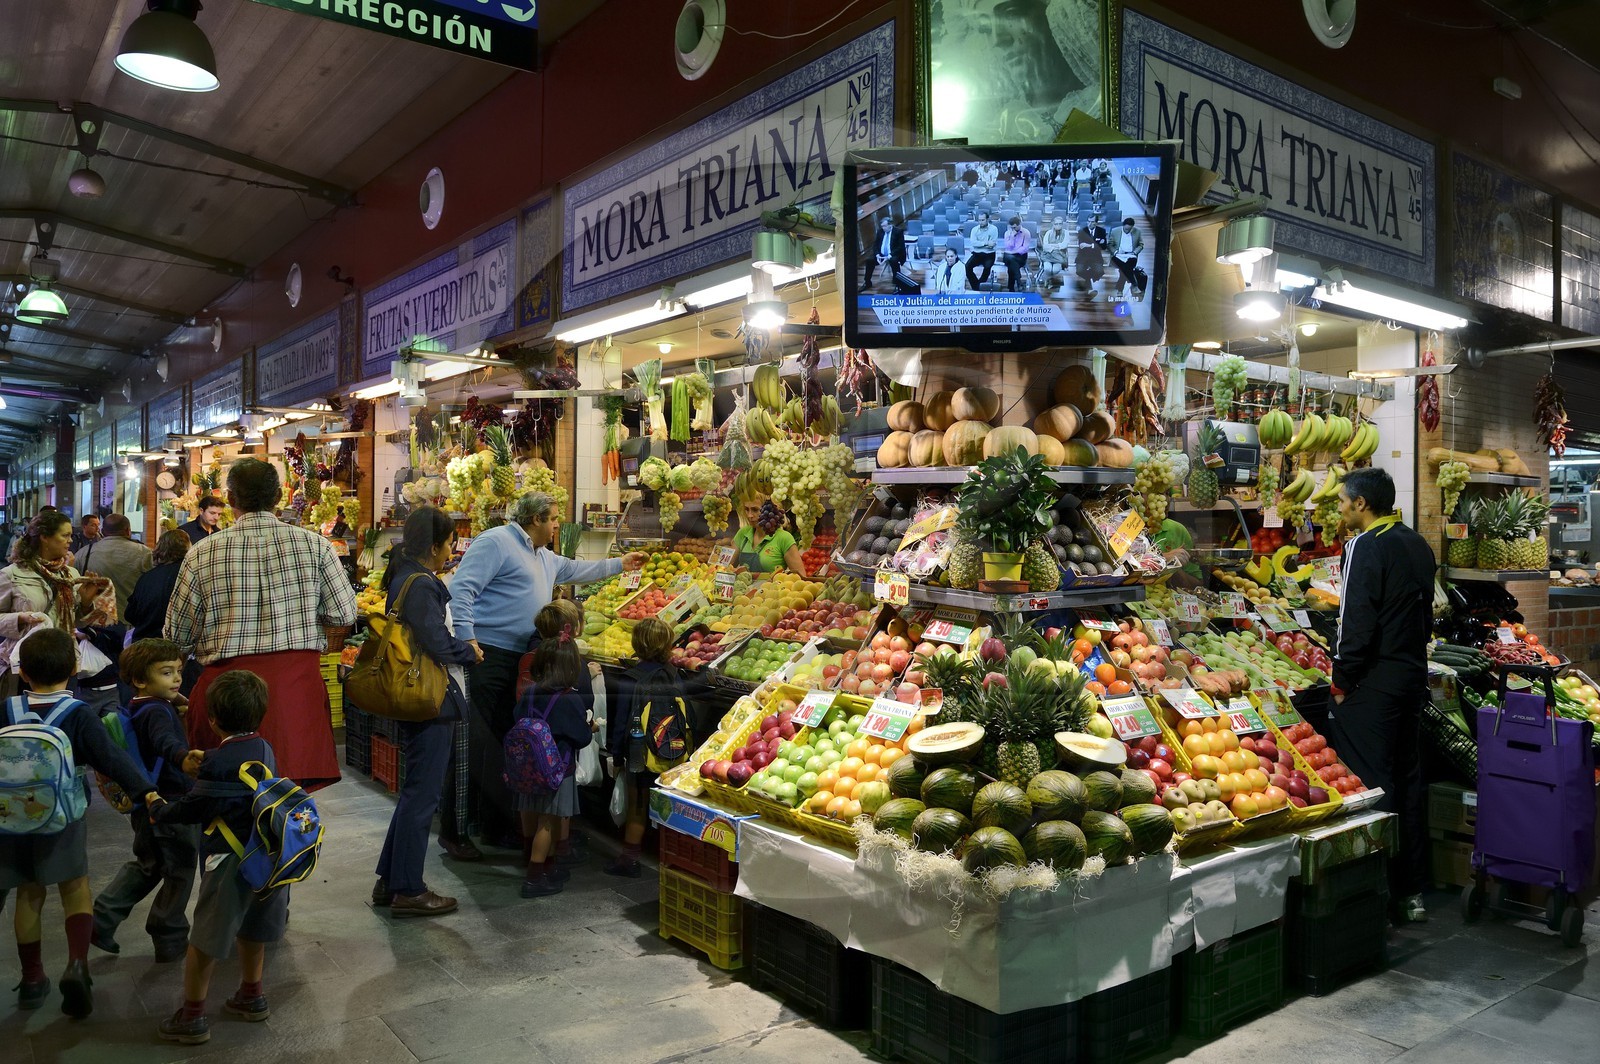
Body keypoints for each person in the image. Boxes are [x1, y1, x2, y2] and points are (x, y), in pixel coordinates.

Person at [450, 492, 644, 849]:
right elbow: (461, 589)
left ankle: (499, 826)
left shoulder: (542, 555)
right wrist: (467, 639)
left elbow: (576, 569)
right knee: (482, 743)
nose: (557, 524)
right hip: (488, 656)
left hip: (523, 658)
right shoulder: (496, 542)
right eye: (553, 518)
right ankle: (459, 830)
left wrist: (621, 564)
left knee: (510, 742)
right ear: (535, 519)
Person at [165, 458, 356, 792]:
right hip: (294, 694)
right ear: (277, 499)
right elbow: (343, 614)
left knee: (223, 804)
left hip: (226, 699)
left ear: (231, 500)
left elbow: (177, 636)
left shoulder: (202, 553)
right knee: (288, 807)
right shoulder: (316, 546)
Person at [1, 627, 160, 1016]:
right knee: (75, 888)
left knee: (28, 892)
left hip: (11, 819)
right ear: (75, 668)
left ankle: (33, 977)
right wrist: (146, 793)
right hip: (63, 817)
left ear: (23, 673)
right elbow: (112, 759)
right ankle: (77, 966)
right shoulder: (78, 714)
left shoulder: (6, 709)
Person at [151, 670, 284, 1045]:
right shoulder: (265, 749)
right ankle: (252, 994)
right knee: (253, 928)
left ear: (212, 719)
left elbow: (195, 806)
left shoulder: (216, 761)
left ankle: (192, 1015)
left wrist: (158, 808)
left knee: (206, 936)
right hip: (267, 855)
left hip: (227, 861)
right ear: (261, 714)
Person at [1330, 467, 1436, 924]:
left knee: (1372, 786)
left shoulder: (1363, 546)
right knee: (1408, 779)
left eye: (1341, 501)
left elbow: (1356, 621)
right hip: (1412, 675)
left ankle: (1374, 894)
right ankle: (1411, 891)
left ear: (1360, 504)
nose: (1338, 509)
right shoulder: (1417, 543)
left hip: (1374, 683)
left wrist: (1341, 681)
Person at [371, 507, 482, 916]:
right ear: (434, 545)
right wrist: (467, 652)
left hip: (416, 695)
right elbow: (436, 641)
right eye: (450, 542)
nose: (452, 549)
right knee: (423, 794)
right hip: (430, 697)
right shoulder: (421, 584)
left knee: (415, 792)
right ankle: (409, 890)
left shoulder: (406, 575)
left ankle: (391, 879)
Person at [90, 639, 202, 962]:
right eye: (167, 673)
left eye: (178, 671)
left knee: (148, 865)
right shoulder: (156, 712)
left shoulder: (140, 705)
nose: (177, 679)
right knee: (180, 869)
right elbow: (164, 742)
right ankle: (169, 935)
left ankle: (101, 918)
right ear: (140, 680)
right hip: (171, 803)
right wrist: (182, 758)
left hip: (146, 801)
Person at [513, 603, 596, 899]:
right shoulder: (570, 700)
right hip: (556, 771)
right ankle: (536, 877)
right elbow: (581, 737)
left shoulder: (531, 691)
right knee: (547, 823)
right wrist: (591, 729)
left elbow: (517, 718)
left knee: (533, 819)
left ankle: (539, 865)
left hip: (527, 768)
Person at [604, 618, 688, 878]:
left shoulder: (632, 678)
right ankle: (673, 862)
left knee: (637, 807)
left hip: (640, 754)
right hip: (673, 751)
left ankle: (629, 860)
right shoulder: (676, 674)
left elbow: (621, 725)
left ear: (637, 644)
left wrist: (617, 756)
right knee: (669, 806)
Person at [0, 511, 116, 697]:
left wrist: (86, 602)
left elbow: (78, 622)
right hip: (26, 664)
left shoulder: (70, 574)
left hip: (63, 661)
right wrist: (20, 618)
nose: (70, 540)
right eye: (65, 535)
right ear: (45, 537)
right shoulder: (12, 574)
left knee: (61, 719)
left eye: (70, 535)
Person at [74, 513, 153, 619]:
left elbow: (75, 587)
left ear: (102, 531)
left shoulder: (84, 553)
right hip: (131, 621)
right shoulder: (145, 553)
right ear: (128, 531)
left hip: (96, 623)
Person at [126, 530, 191, 643]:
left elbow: (130, 614)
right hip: (174, 647)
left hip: (144, 643)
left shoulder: (147, 577)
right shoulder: (189, 576)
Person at [732, 498, 807, 574]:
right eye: (747, 509)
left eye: (755, 510)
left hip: (772, 585)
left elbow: (800, 577)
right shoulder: (743, 533)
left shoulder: (784, 538)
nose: (749, 515)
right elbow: (726, 565)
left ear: (770, 511)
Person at [864, 215, 907, 287]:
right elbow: (875, 244)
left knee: (894, 260)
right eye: (882, 226)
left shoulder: (898, 232)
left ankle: (897, 282)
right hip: (881, 255)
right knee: (869, 260)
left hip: (893, 254)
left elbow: (900, 247)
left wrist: (889, 256)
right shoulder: (880, 232)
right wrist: (877, 254)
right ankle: (867, 282)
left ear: (890, 225)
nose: (883, 228)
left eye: (884, 226)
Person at [1110, 217, 1145, 299]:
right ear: (1123, 226)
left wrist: (1135, 252)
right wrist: (1115, 252)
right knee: (1126, 268)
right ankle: (1134, 285)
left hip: (1131, 255)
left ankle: (1120, 289)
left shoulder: (1137, 232)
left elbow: (1141, 245)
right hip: (1118, 256)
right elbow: (1110, 244)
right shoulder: (1115, 231)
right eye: (1125, 229)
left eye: (1129, 229)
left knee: (1124, 269)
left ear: (1132, 227)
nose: (1127, 231)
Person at [965, 211, 999, 289]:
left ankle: (980, 286)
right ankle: (976, 286)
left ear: (987, 219)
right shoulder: (974, 230)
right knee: (967, 267)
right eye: (979, 220)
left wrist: (980, 244)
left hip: (989, 254)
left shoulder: (994, 229)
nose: (980, 222)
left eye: (982, 220)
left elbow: (992, 245)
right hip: (977, 253)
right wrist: (986, 243)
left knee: (987, 268)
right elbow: (974, 243)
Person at [1039, 215, 1073, 292]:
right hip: (1048, 256)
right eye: (1056, 224)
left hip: (1059, 257)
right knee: (1047, 268)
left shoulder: (1066, 233)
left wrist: (1052, 246)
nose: (1058, 225)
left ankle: (1049, 281)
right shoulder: (1048, 233)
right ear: (1053, 224)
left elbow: (1064, 245)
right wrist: (1057, 247)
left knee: (1054, 270)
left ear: (1062, 224)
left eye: (1060, 224)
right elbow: (1045, 246)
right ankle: (1049, 281)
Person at [1075, 213, 1108, 290]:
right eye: (1088, 221)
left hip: (1096, 257)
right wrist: (1096, 244)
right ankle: (1088, 281)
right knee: (1079, 271)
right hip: (1083, 256)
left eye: (1092, 222)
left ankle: (1088, 281)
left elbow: (1103, 246)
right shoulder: (1082, 231)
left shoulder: (1101, 231)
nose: (1090, 223)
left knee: (1099, 272)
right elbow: (1082, 246)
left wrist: (1089, 245)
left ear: (1096, 222)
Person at [1000, 215, 1032, 292]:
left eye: (1015, 227)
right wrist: (1012, 237)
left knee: (1012, 263)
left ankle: (1011, 287)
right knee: (1010, 258)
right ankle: (1018, 281)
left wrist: (1015, 252)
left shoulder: (1026, 233)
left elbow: (1025, 248)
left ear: (1019, 224)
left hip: (1020, 256)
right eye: (1012, 227)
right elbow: (1008, 247)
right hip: (1008, 256)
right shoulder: (1008, 233)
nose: (1013, 229)